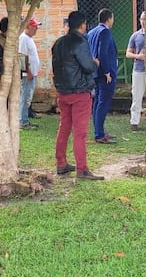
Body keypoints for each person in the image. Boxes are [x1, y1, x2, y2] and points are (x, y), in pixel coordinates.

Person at [52, 11, 103, 180]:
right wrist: (95, 62)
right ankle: (82, 169)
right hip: (80, 92)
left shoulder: (59, 43)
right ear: (83, 25)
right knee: (80, 133)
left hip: (63, 91)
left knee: (64, 128)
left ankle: (61, 163)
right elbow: (88, 66)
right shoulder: (80, 42)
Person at [87, 9, 118, 144]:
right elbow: (103, 52)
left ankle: (99, 130)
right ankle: (99, 134)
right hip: (105, 73)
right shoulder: (104, 32)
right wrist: (107, 72)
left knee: (98, 102)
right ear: (109, 19)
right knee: (103, 103)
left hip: (95, 72)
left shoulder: (92, 32)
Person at [18, 18, 41, 130]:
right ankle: (23, 121)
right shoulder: (23, 38)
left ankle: (25, 119)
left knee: (28, 97)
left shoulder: (29, 39)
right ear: (27, 27)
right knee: (25, 97)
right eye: (34, 27)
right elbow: (22, 57)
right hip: (27, 74)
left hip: (32, 73)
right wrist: (28, 71)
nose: (36, 29)